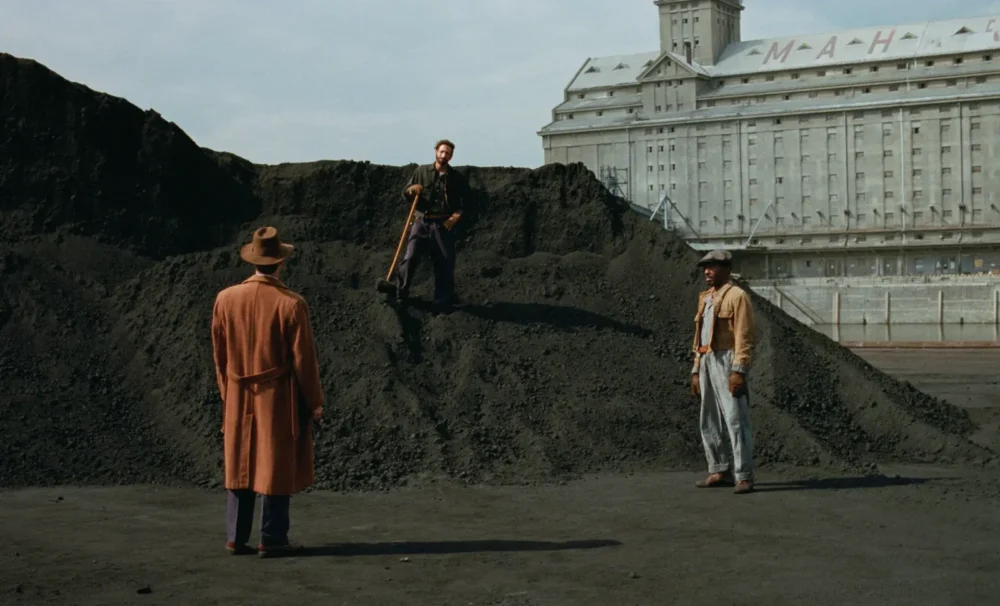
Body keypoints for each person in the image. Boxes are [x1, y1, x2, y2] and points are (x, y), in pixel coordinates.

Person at [211, 226, 325, 557]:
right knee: (274, 463)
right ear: (280, 263)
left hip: (237, 392)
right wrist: (314, 402)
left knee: (239, 462)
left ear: (253, 261)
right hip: (276, 396)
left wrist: (228, 392)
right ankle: (272, 539)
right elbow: (304, 360)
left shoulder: (225, 299)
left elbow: (219, 357)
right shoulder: (291, 304)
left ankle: (236, 537)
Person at [690, 249, 757, 495]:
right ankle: (719, 469)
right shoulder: (706, 298)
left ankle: (744, 475)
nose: (707, 271)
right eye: (705, 267)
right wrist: (696, 370)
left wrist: (738, 370)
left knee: (736, 419)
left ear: (726, 269)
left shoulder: (737, 296)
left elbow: (745, 336)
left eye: (713, 266)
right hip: (707, 359)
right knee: (709, 419)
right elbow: (699, 338)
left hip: (727, 359)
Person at [393, 139, 471, 312]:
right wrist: (411, 190)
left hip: (443, 224)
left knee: (445, 261)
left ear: (451, 156)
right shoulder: (421, 171)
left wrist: (456, 216)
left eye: (448, 153)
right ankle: (401, 294)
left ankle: (442, 301)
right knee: (410, 256)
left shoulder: (456, 178)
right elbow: (405, 193)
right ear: (436, 151)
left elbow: (467, 202)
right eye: (442, 152)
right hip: (422, 221)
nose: (444, 155)